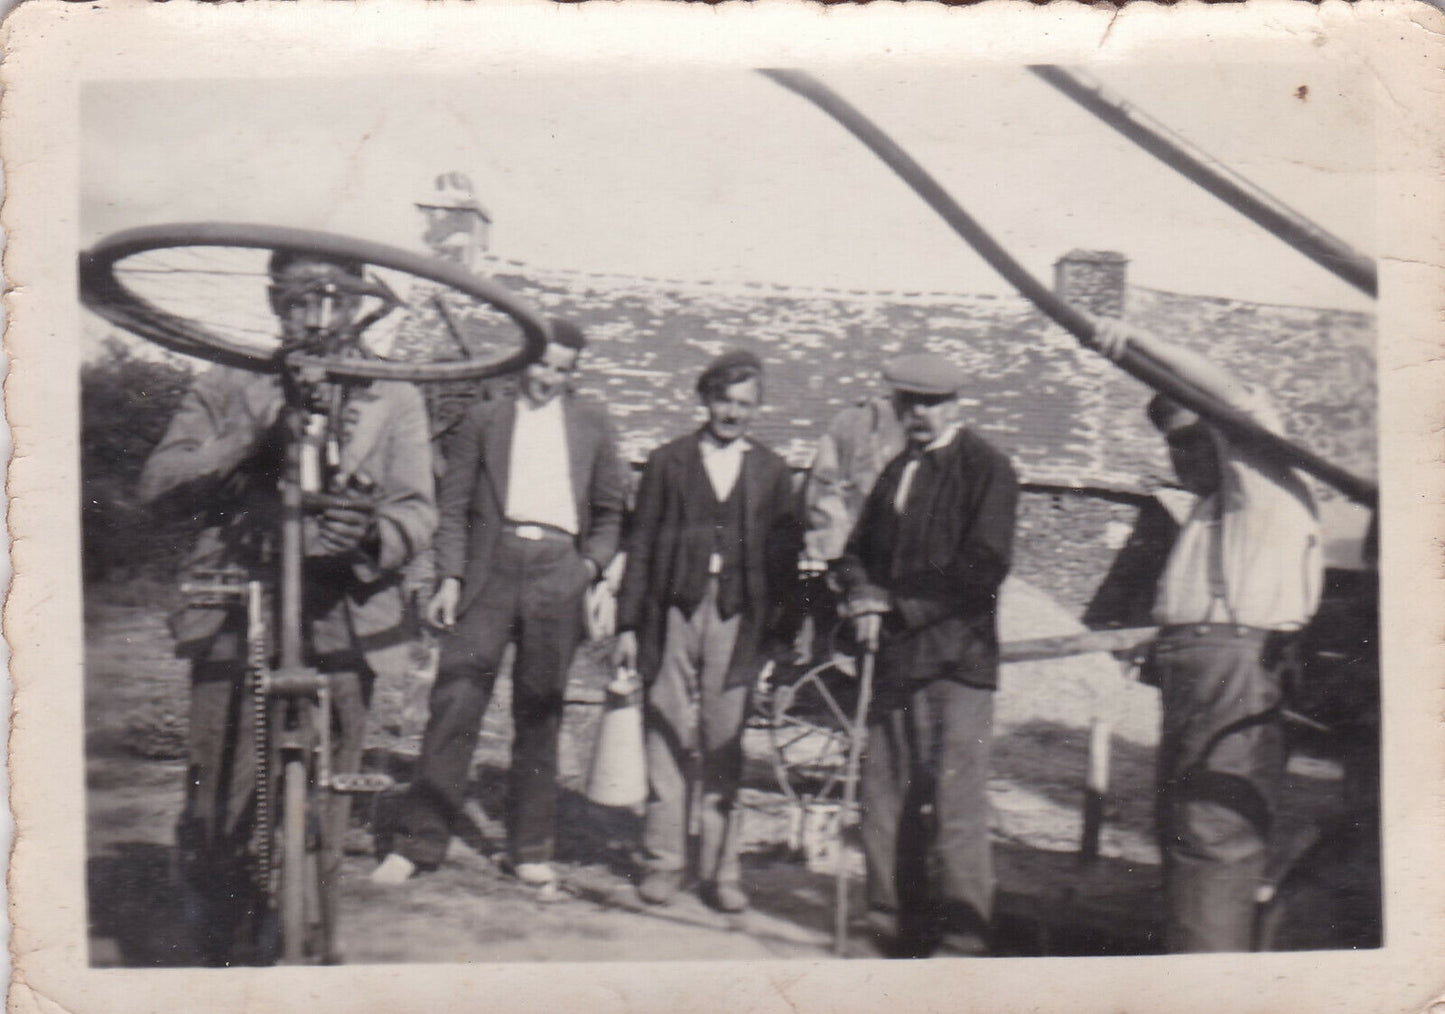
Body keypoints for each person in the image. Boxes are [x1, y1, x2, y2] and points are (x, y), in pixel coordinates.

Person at [137, 251, 437, 964]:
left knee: (325, 795)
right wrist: (246, 440)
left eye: (334, 300)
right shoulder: (231, 380)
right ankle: (219, 939)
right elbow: (157, 484)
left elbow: (416, 509)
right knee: (219, 795)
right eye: (301, 300)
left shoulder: (394, 395)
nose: (317, 317)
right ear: (277, 304)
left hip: (344, 612)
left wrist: (370, 533)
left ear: (359, 305)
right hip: (238, 599)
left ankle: (314, 935)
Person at [1089, 319, 1323, 953]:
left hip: (1236, 670)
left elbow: (1232, 395)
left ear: (1224, 440)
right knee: (1182, 828)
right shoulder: (1205, 509)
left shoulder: (1265, 483)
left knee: (1213, 832)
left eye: (1192, 444)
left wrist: (1137, 342)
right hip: (1196, 669)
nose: (1179, 459)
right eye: (1172, 448)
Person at [374, 319, 626, 892]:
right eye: (541, 366)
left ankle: (529, 848)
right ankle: (418, 844)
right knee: (457, 701)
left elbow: (612, 512)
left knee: (540, 710)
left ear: (574, 373)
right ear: (523, 363)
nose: (548, 379)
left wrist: (587, 570)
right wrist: (451, 578)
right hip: (491, 569)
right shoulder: (486, 419)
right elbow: (455, 503)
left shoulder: (593, 423)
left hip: (559, 570)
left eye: (563, 370)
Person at [834, 351, 1019, 958]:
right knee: (885, 800)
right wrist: (861, 591)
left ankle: (963, 936)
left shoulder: (986, 468)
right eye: (907, 404)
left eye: (930, 404)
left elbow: (983, 566)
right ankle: (889, 921)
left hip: (955, 664)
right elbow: (857, 549)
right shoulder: (895, 470)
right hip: (893, 661)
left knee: (956, 804)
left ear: (955, 404)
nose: (917, 415)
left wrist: (897, 605)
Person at [613, 349, 801, 913]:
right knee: (666, 730)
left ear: (757, 409)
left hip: (737, 616)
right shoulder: (668, 461)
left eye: (745, 404)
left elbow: (785, 562)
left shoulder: (771, 471)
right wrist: (627, 624)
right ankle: (664, 862)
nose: (733, 413)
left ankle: (722, 871)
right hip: (674, 609)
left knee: (724, 739)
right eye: (724, 400)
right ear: (705, 399)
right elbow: (641, 546)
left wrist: (778, 639)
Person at [794, 393, 906, 664]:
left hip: (901, 569)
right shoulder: (853, 423)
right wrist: (836, 559)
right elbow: (825, 489)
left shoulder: (931, 428)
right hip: (848, 559)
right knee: (830, 645)